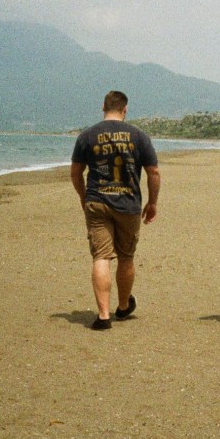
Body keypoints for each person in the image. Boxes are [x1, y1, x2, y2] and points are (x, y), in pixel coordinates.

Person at [70, 90, 161, 331]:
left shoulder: (87, 135)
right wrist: (152, 202)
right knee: (126, 257)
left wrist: (84, 197)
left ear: (103, 107)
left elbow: (76, 172)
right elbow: (153, 172)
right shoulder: (139, 136)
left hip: (97, 202)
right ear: (125, 109)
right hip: (128, 204)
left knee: (101, 257)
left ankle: (102, 315)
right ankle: (122, 306)